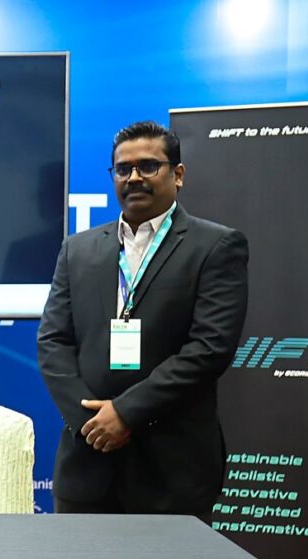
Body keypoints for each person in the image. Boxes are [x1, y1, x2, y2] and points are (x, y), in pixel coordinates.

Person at [37, 120, 249, 518]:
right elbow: (53, 342)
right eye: (123, 169)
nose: (134, 177)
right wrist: (91, 423)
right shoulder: (78, 249)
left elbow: (209, 349)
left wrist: (126, 413)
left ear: (178, 174)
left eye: (148, 166)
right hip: (87, 463)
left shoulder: (216, 246)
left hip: (172, 468)